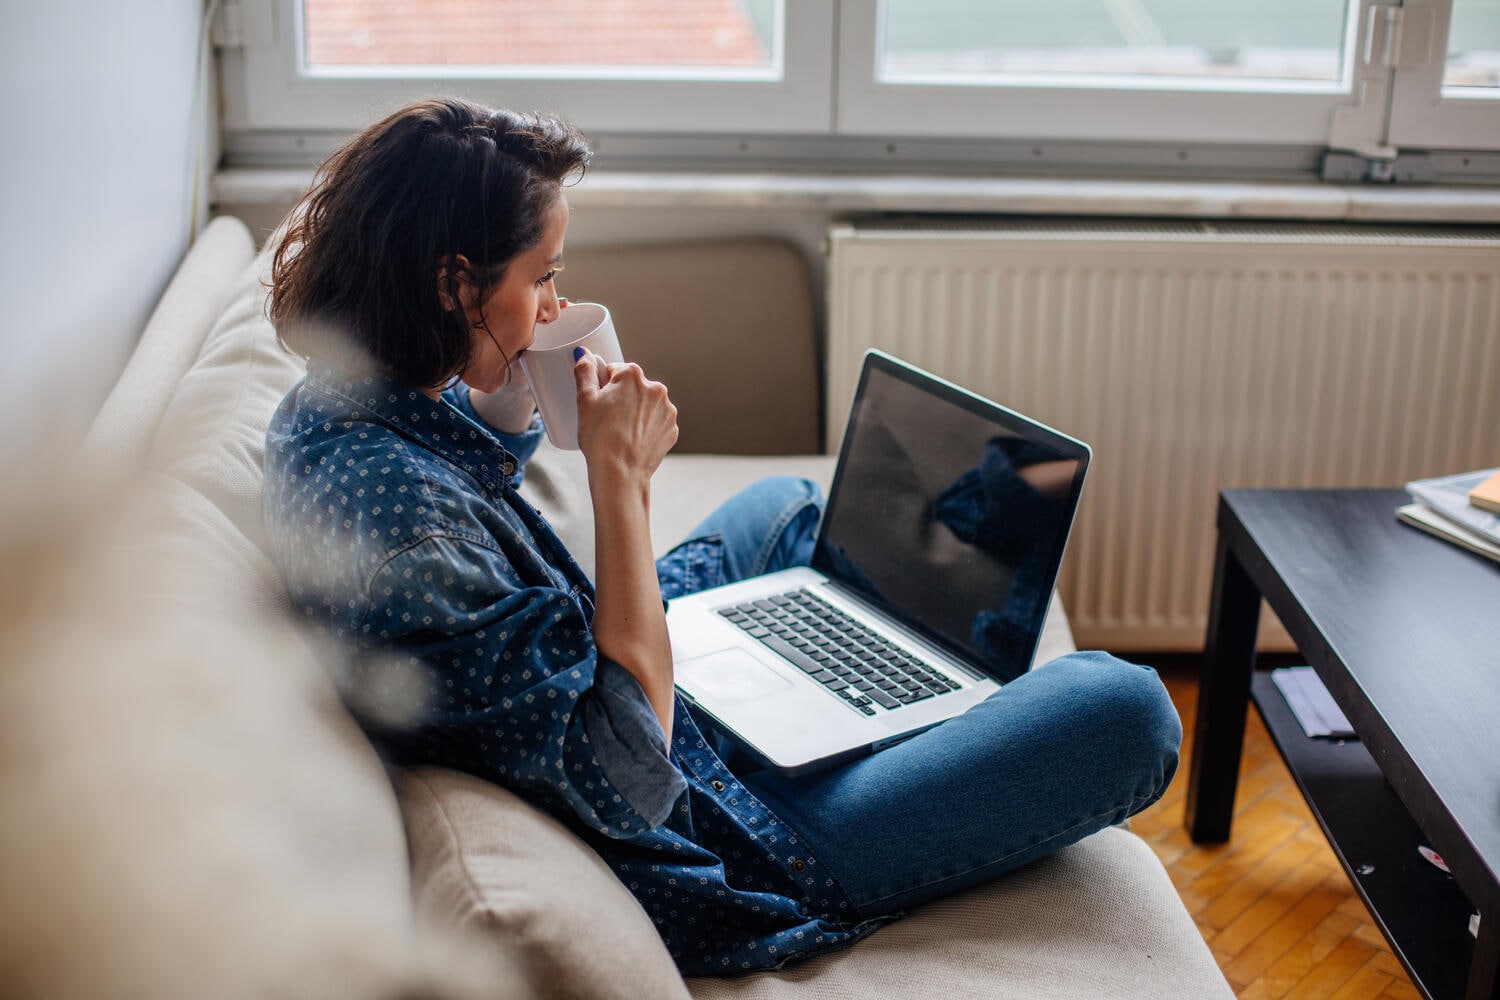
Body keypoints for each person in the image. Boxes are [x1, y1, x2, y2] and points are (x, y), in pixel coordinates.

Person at [262, 97, 1182, 977]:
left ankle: (882, 679)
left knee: (783, 503)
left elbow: (475, 498)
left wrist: (512, 384)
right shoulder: (409, 535)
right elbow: (631, 776)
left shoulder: (346, 404)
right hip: (738, 829)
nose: (553, 305)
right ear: (454, 283)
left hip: (646, 696)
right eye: (541, 278)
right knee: (1127, 707)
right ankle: (915, 703)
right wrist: (620, 481)